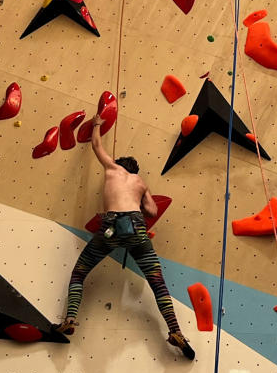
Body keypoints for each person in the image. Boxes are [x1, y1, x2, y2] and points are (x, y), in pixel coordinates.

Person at [57, 116, 195, 358]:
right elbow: (152, 211)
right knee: (157, 283)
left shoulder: (112, 169)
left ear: (120, 165)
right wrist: (137, 203)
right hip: (137, 229)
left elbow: (97, 146)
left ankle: (70, 318)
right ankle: (176, 331)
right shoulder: (141, 183)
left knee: (79, 273)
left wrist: (98, 124)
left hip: (110, 228)